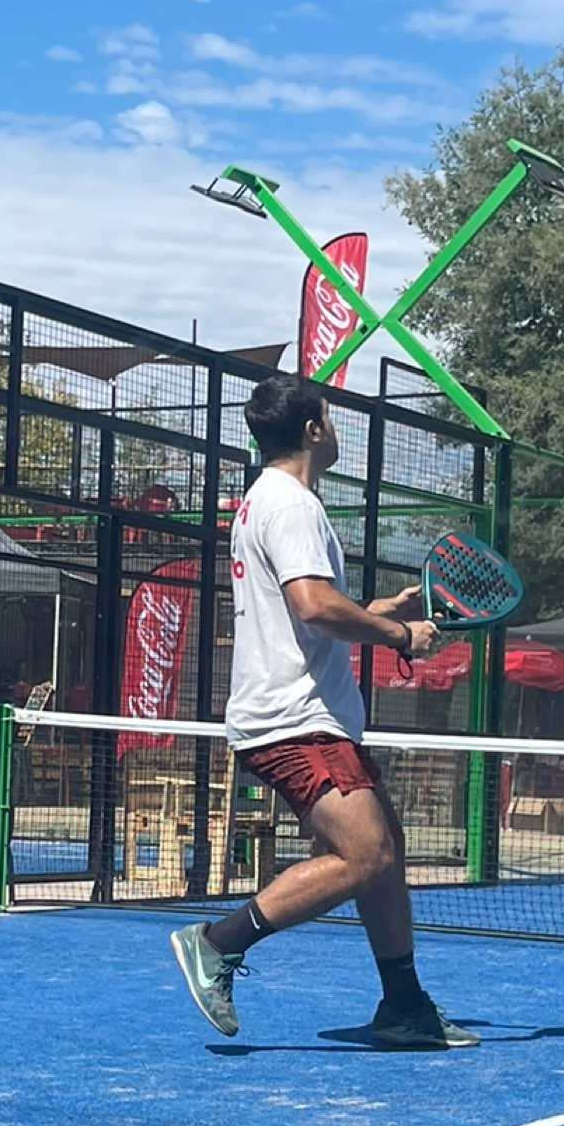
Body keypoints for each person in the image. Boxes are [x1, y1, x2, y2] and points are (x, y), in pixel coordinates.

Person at [169, 372, 477, 1049]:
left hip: (306, 717)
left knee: (386, 852)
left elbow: (303, 614)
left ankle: (404, 1006)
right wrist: (400, 635)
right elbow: (311, 605)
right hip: (295, 720)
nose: (337, 428)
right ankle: (217, 942)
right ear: (312, 428)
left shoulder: (268, 500)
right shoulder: (291, 504)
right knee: (367, 855)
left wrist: (375, 612)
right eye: (331, 418)